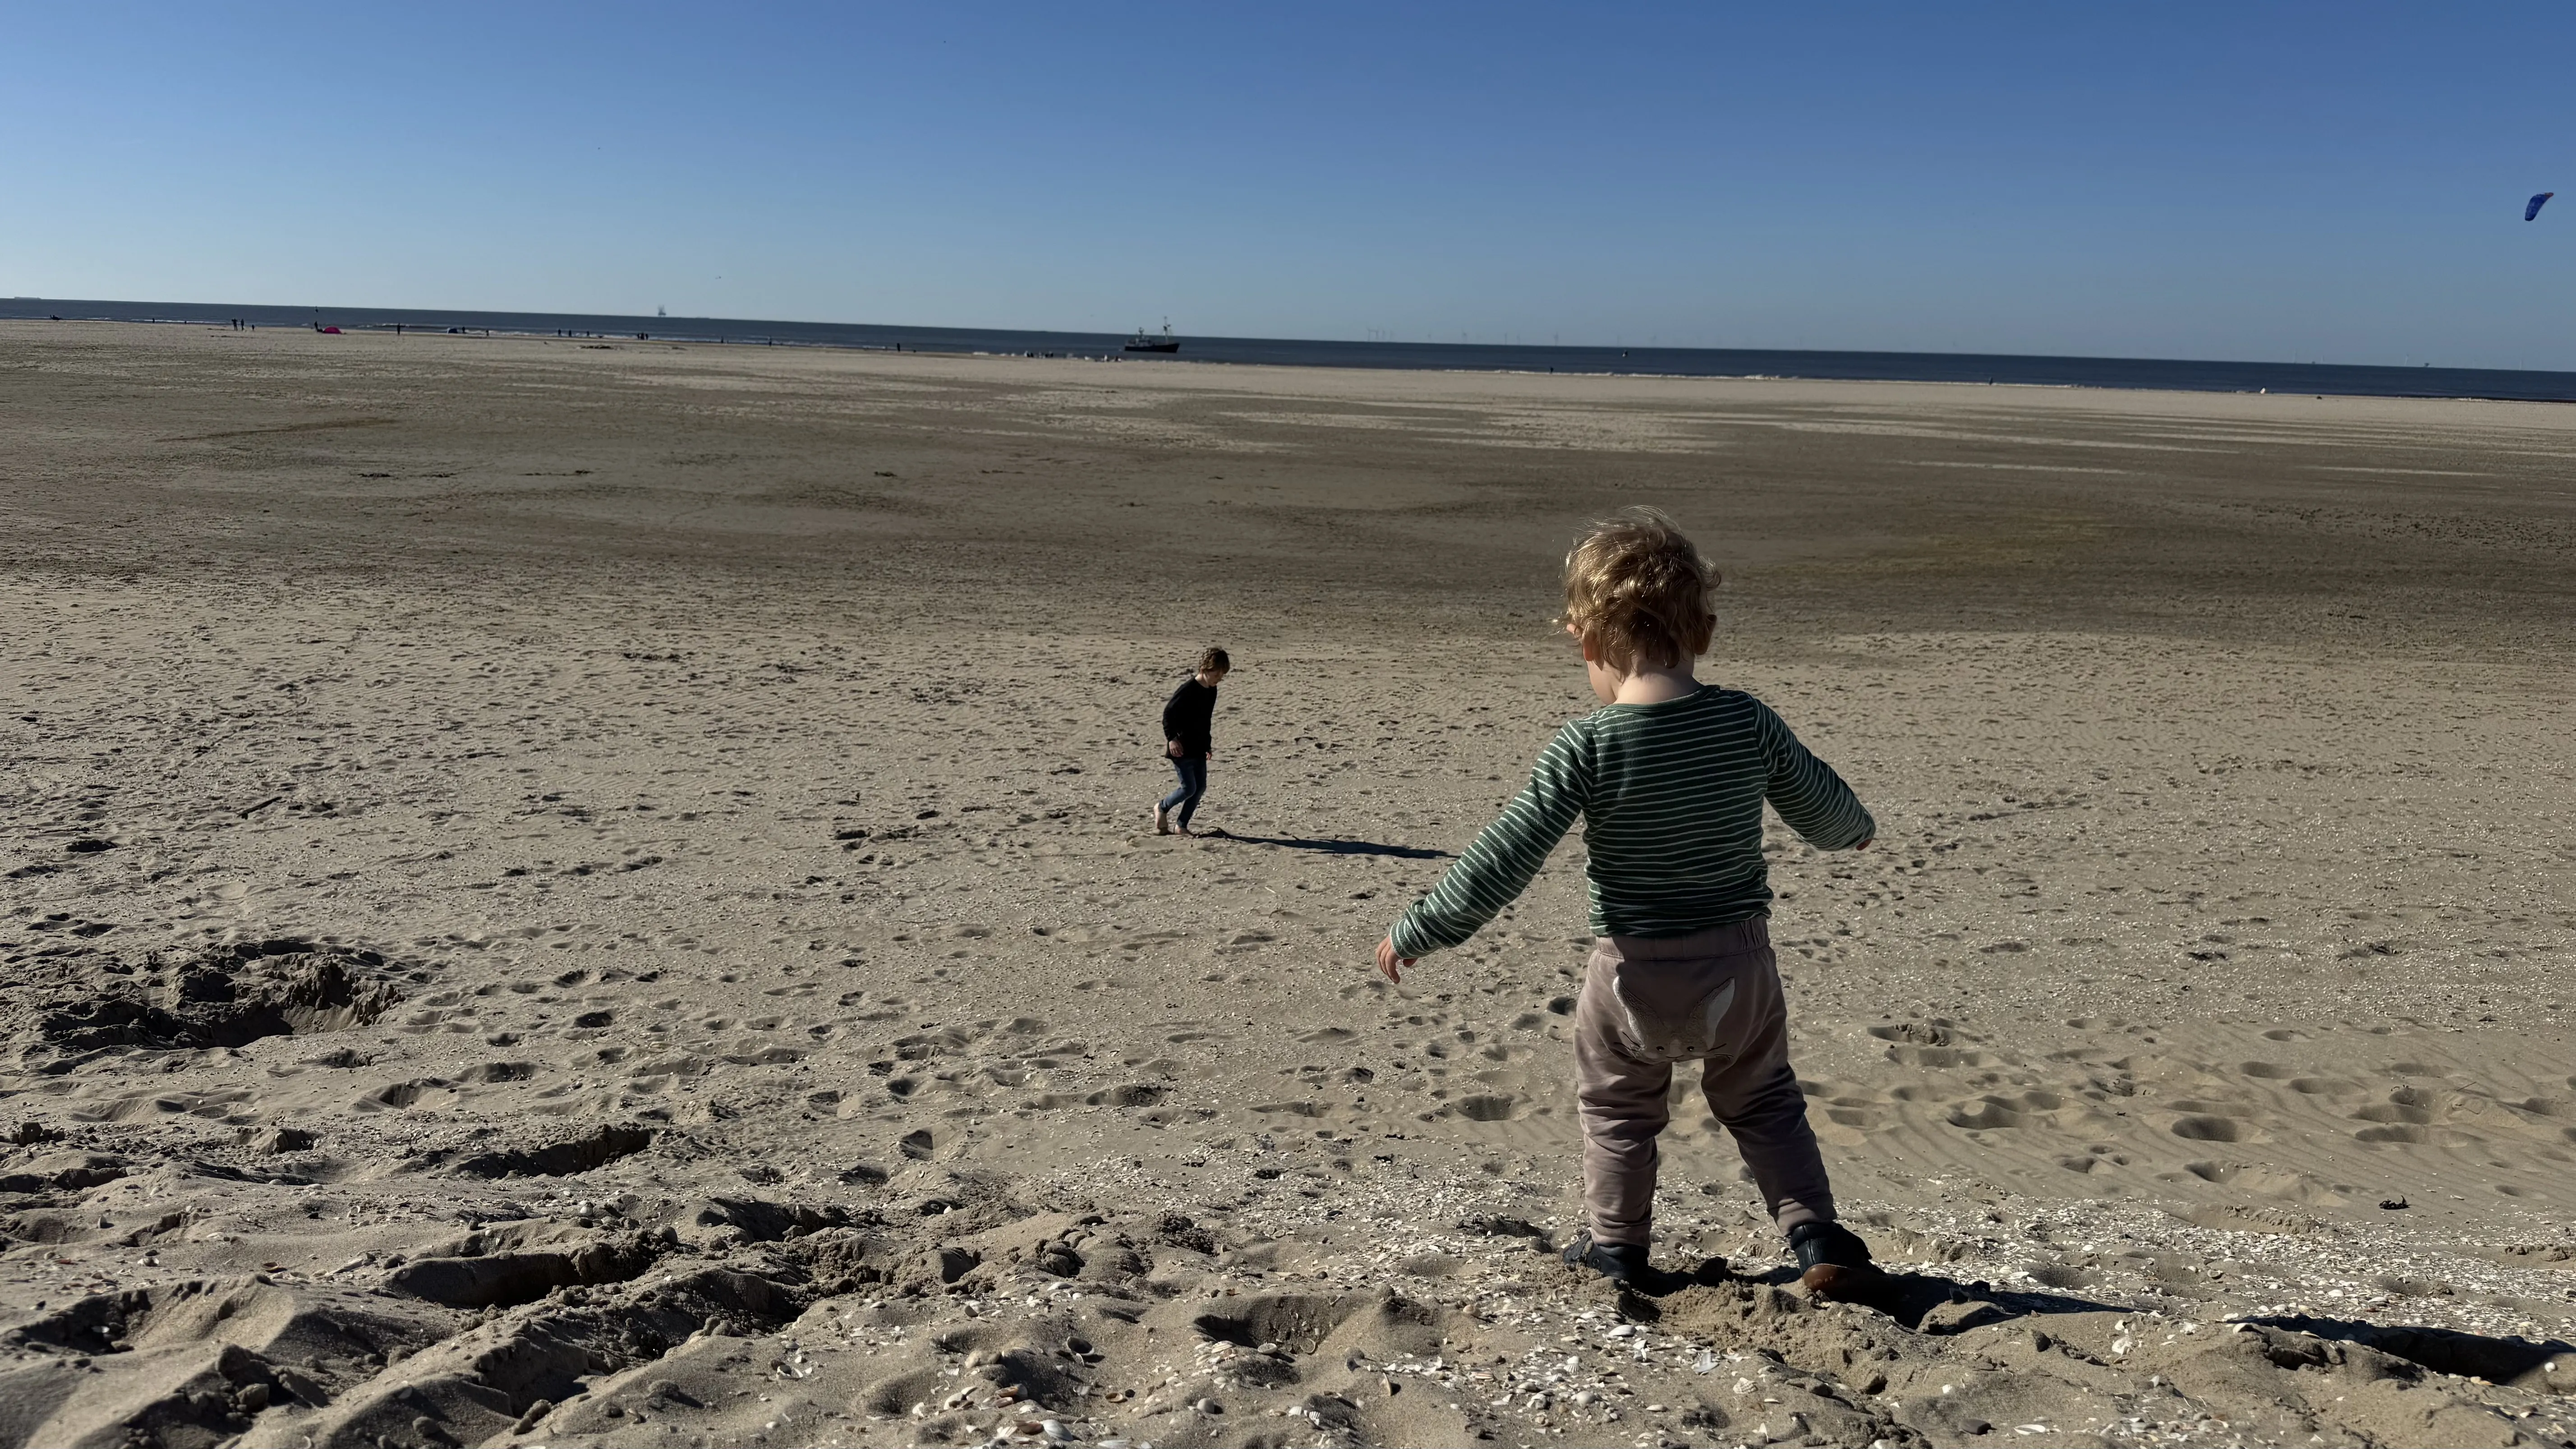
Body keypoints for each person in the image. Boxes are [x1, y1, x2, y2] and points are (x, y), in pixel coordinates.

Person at [1372, 508, 1883, 1300]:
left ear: (1588, 643)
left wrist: (1423, 928)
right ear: (1703, 631)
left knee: (1617, 1110)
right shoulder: (1745, 721)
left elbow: (1505, 855)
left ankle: (1617, 1248)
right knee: (1762, 1099)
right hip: (1739, 966)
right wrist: (1854, 830)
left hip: (1630, 973)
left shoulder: (1586, 745)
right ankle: (1817, 1235)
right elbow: (1824, 809)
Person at [1154, 648, 1229, 836]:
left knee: (1200, 787)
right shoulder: (1188, 690)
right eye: (1216, 674)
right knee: (1189, 788)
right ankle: (1162, 807)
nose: (1219, 678)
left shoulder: (1212, 690)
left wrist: (1208, 744)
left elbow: (1205, 719)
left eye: (1222, 675)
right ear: (1205, 668)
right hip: (1181, 747)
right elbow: (1168, 715)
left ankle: (1181, 826)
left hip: (1199, 747)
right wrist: (1172, 739)